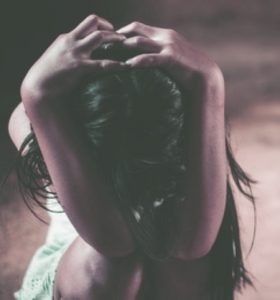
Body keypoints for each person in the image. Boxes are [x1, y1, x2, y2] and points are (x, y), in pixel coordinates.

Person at [8, 14, 255, 300]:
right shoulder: (60, 149)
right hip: (83, 279)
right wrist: (36, 92)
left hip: (164, 266)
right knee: (114, 267)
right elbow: (112, 243)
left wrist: (209, 81)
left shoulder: (188, 201)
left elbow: (192, 245)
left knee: (176, 254)